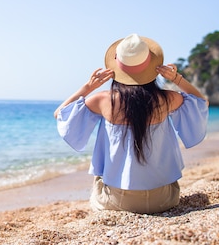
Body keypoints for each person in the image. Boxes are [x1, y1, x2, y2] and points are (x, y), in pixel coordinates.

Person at [54, 33, 209, 214]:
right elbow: (201, 102)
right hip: (165, 199)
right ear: (151, 66)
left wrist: (88, 87)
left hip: (118, 203)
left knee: (99, 179)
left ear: (116, 67)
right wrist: (177, 79)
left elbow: (60, 114)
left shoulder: (103, 100)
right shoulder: (167, 98)